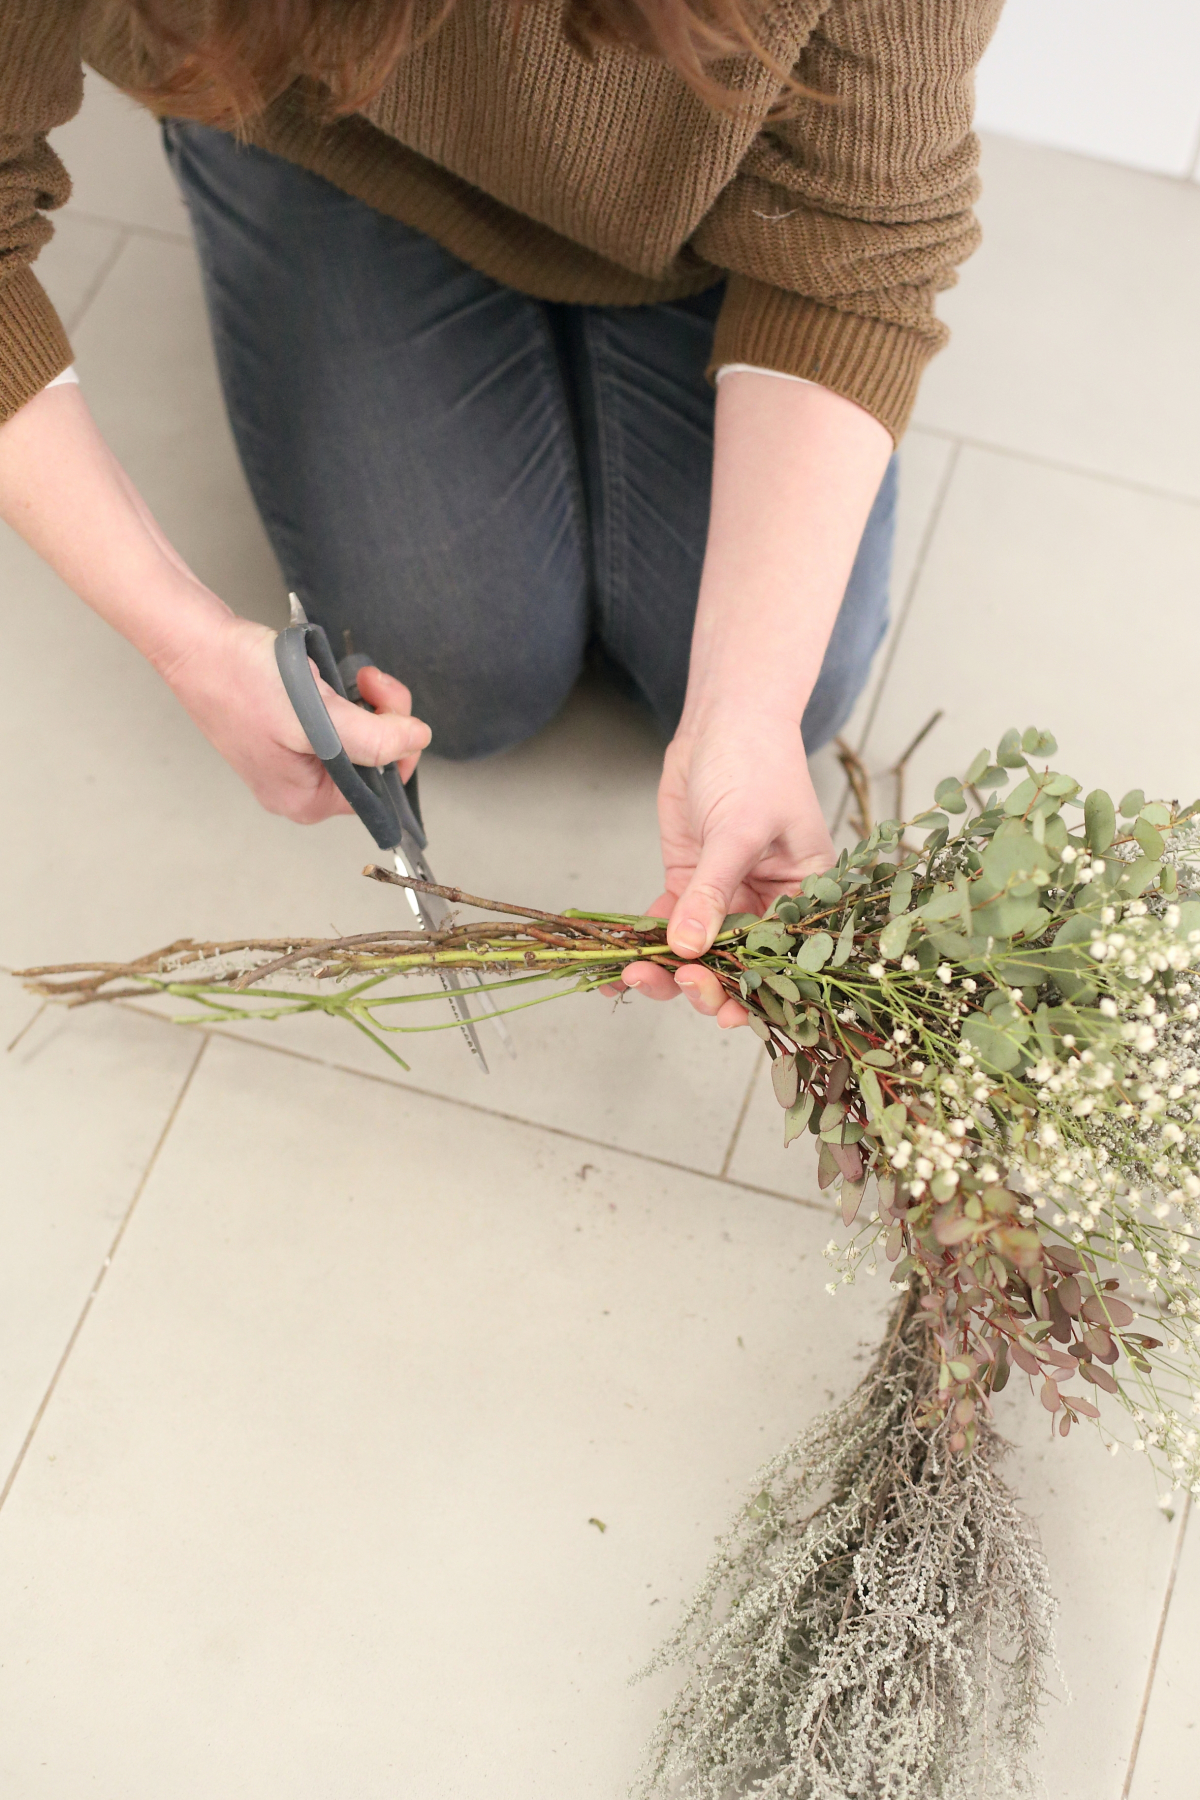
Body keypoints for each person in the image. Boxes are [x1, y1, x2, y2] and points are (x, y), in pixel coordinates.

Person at [0, 0, 1000, 1028]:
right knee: (459, 673)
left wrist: (741, 707)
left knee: (792, 686)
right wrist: (183, 638)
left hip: (724, 199)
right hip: (319, 110)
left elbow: (857, 246)